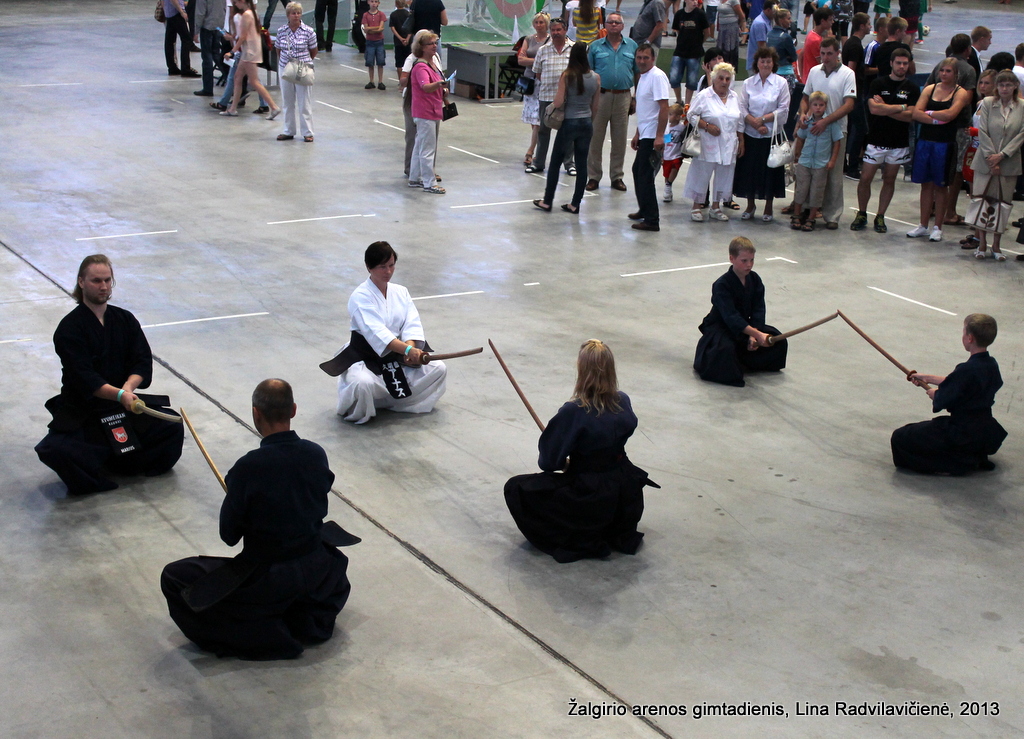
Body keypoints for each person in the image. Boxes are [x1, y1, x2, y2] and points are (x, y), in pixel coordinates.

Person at [161, 379, 353, 660]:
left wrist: (236, 495)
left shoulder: (248, 468)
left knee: (175, 576)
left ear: (255, 414)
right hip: (316, 567)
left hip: (271, 575)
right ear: (294, 410)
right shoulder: (315, 454)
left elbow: (229, 536)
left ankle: (264, 634)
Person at [35, 255, 184, 496]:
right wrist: (120, 395)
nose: (103, 286)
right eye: (96, 280)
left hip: (124, 406)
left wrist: (128, 388)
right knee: (55, 450)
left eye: (107, 280)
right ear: (81, 282)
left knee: (172, 427)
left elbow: (142, 361)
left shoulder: (124, 319)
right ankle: (105, 466)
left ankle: (122, 462)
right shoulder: (69, 329)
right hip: (87, 410)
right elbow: (85, 378)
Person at [503, 340, 656, 563]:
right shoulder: (623, 400)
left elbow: (548, 462)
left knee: (516, 488)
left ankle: (581, 533)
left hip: (592, 496)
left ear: (582, 371)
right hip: (624, 492)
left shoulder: (574, 411)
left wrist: (566, 460)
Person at [335, 242, 447, 423]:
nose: (388, 271)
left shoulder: (401, 292)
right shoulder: (360, 296)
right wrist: (408, 351)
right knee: (362, 384)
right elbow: (376, 332)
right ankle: (374, 402)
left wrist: (410, 350)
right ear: (369, 267)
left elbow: (411, 323)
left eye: (391, 265)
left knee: (439, 369)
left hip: (398, 357)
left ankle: (400, 403)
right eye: (382, 267)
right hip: (367, 357)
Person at [891, 315, 1006, 475]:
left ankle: (956, 463)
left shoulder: (966, 370)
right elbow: (959, 383)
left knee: (900, 437)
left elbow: (943, 398)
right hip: (983, 428)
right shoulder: (990, 364)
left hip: (962, 431)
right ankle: (970, 455)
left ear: (970, 338)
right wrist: (928, 378)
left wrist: (934, 393)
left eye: (964, 332)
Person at [693, 237, 787, 387]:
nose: (749, 265)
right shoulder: (721, 285)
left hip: (747, 326)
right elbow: (731, 317)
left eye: (752, 260)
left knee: (777, 341)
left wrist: (754, 334)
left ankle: (745, 362)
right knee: (724, 351)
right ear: (732, 258)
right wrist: (755, 334)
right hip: (722, 327)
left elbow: (758, 309)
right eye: (744, 261)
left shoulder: (755, 279)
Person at [851, 47, 918, 232]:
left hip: (899, 143)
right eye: (899, 63)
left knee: (889, 179)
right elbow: (874, 109)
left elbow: (911, 116)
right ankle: (862, 212)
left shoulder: (912, 88)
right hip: (875, 140)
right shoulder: (878, 84)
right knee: (865, 178)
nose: (902, 66)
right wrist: (901, 108)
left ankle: (880, 216)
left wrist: (887, 108)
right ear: (891, 63)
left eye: (905, 63)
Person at [906, 58, 972, 242]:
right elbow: (916, 113)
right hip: (925, 141)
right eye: (942, 70)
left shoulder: (961, 93)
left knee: (941, 186)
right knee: (925, 184)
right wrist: (936, 117)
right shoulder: (930, 89)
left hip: (945, 143)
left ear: (956, 74)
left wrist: (928, 115)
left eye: (948, 71)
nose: (944, 74)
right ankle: (923, 224)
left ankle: (938, 227)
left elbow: (951, 115)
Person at [533, 43, 600, 214]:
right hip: (586, 123)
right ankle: (575, 204)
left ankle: (547, 201)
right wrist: (588, 120)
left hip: (569, 122)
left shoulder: (567, 76)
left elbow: (558, 102)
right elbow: (596, 106)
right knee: (581, 164)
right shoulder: (595, 78)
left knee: (556, 162)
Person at [796, 37, 856, 228]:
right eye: (822, 53)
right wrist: (803, 114)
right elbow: (805, 97)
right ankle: (807, 209)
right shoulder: (814, 71)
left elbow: (849, 105)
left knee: (833, 174)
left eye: (829, 53)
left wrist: (825, 122)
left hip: (836, 130)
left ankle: (832, 215)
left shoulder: (848, 74)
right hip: (812, 131)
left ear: (838, 53)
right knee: (807, 172)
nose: (825, 57)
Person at [970, 71, 1024, 260]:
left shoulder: (1022, 106)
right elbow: (982, 131)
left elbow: (1021, 135)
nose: (1004, 88)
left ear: (1015, 86)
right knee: (982, 201)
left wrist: (1002, 155)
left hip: (1009, 164)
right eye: (1001, 85)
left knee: (1003, 204)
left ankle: (997, 246)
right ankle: (982, 244)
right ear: (997, 87)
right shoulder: (986, 103)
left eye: (1008, 85)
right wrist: (991, 157)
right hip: (985, 161)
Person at [735, 47, 791, 222]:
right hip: (751, 134)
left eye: (768, 61)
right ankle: (750, 205)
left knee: (769, 173)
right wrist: (753, 122)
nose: (765, 64)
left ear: (773, 63)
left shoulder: (781, 83)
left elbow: (783, 109)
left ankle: (768, 207)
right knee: (749, 172)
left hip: (771, 136)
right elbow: (742, 107)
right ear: (756, 63)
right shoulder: (748, 83)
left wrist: (764, 120)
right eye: (762, 61)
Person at [684, 62, 744, 222]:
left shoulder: (734, 96)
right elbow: (691, 115)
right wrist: (707, 126)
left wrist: (741, 140)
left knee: (724, 174)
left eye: (727, 79)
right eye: (721, 78)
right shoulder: (705, 95)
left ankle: (716, 207)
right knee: (702, 174)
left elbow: (739, 121)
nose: (724, 82)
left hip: (729, 143)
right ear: (714, 78)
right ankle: (696, 206)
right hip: (707, 142)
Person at [585, 12, 637, 191]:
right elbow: (588, 73)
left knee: (620, 139)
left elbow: (637, 73)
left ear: (623, 26)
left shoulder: (632, 46)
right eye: (611, 22)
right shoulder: (595, 47)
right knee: (595, 138)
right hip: (601, 96)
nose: (614, 25)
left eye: (617, 22)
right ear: (605, 25)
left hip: (623, 96)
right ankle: (593, 176)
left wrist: (635, 97)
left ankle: (616, 177)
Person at [629, 42, 671, 231]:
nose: (642, 61)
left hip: (655, 135)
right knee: (637, 170)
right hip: (646, 133)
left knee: (645, 175)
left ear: (653, 59)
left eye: (646, 58)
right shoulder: (642, 77)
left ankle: (652, 220)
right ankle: (644, 209)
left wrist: (660, 137)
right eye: (639, 58)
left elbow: (664, 107)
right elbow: (644, 109)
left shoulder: (657, 77)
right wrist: (638, 133)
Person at [528, 18, 575, 176]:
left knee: (568, 132)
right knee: (543, 131)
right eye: (553, 30)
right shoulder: (543, 50)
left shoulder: (574, 49)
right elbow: (538, 73)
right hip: (546, 96)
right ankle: (539, 163)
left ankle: (569, 164)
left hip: (569, 99)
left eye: (558, 30)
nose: (555, 33)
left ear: (565, 30)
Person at [790, 90, 842, 230]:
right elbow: (800, 137)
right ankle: (797, 215)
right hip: (805, 161)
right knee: (801, 189)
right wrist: (797, 156)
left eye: (821, 105)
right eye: (815, 104)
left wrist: (832, 160)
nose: (818, 107)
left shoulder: (831, 123)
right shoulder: (807, 122)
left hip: (821, 164)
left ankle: (811, 218)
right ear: (810, 106)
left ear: (825, 106)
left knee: (817, 191)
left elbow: (837, 142)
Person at [221, 0, 281, 119]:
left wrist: (232, 51)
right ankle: (233, 108)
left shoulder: (246, 15)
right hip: (249, 51)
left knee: (254, 81)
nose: (235, 4)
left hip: (249, 52)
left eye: (235, 2)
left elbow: (242, 37)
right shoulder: (252, 14)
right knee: (237, 78)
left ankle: (274, 107)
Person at [408, 32, 447, 193]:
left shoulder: (432, 63)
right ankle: (430, 183)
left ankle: (414, 177)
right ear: (422, 47)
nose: (434, 46)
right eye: (430, 43)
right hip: (425, 112)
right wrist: (439, 84)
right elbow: (425, 86)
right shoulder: (421, 67)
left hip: (430, 109)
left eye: (435, 42)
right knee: (428, 149)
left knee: (420, 146)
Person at [275, 3, 318, 142]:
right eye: (293, 13)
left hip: (303, 69)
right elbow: (278, 49)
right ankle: (288, 130)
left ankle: (307, 132)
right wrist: (287, 64)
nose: (296, 16)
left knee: (304, 101)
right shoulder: (281, 31)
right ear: (288, 15)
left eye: (298, 13)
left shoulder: (309, 31)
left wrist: (303, 63)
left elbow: (314, 50)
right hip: (285, 68)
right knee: (287, 101)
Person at [519, 12, 551, 171]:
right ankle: (538, 147)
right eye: (537, 22)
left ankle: (531, 150)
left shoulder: (550, 41)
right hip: (529, 83)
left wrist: (531, 61)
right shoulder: (528, 39)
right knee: (533, 120)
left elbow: (548, 61)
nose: (539, 25)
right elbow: (520, 59)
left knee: (538, 120)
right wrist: (538, 61)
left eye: (542, 22)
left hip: (544, 82)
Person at [841, 12, 870, 178]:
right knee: (859, 129)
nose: (870, 26)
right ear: (861, 26)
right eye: (868, 24)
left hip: (854, 92)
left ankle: (846, 165)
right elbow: (851, 70)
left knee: (852, 127)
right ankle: (852, 166)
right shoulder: (855, 46)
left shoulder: (852, 43)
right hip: (854, 93)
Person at [670, 0, 711, 105]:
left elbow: (707, 32)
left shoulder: (700, 14)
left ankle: (687, 104)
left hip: (694, 52)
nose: (695, 2)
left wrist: (700, 41)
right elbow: (678, 30)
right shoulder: (679, 14)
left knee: (692, 81)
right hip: (680, 51)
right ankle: (679, 100)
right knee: (674, 79)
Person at [192, 0, 226, 96]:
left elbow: (200, 13)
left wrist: (196, 31)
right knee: (217, 55)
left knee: (207, 58)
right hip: (218, 26)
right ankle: (229, 80)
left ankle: (208, 88)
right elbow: (224, 8)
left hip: (207, 27)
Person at [163, 0, 199, 77]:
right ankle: (185, 68)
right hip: (176, 13)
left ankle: (172, 67)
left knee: (169, 41)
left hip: (169, 13)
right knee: (187, 39)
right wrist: (181, 11)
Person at [767, 8, 798, 90]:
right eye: (788, 18)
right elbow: (794, 57)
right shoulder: (786, 37)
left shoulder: (768, 34)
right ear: (781, 20)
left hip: (771, 73)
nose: (790, 21)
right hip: (785, 74)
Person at [799, 7, 832, 82]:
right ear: (823, 21)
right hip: (815, 79)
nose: (832, 22)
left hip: (808, 77)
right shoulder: (816, 40)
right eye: (830, 20)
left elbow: (801, 55)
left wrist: (802, 76)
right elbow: (824, 63)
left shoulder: (811, 34)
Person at [662, 103, 687, 201]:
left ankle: (668, 184)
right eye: (669, 114)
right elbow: (666, 142)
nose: (670, 117)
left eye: (672, 114)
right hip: (667, 154)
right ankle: (668, 188)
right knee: (666, 173)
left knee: (675, 167)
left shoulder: (682, 127)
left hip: (677, 154)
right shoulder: (666, 128)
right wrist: (661, 154)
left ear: (678, 117)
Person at [361, 0, 387, 89]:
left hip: (379, 41)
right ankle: (371, 81)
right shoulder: (365, 15)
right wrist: (375, 28)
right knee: (370, 62)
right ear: (368, 2)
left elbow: (381, 28)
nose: (374, 3)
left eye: (376, 1)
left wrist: (370, 29)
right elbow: (365, 28)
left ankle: (380, 81)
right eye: (372, 1)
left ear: (378, 3)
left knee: (380, 62)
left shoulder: (381, 14)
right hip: (369, 42)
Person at [715, 0, 747, 68]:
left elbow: (741, 16)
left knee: (730, 50)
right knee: (721, 49)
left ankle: (731, 68)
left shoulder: (734, 1)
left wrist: (742, 28)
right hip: (722, 28)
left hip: (731, 28)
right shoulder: (720, 1)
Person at [746, 0, 775, 72]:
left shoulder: (768, 21)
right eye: (774, 11)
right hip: (757, 65)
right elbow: (762, 46)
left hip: (761, 63)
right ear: (768, 10)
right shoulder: (760, 23)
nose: (776, 14)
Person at [390, 0, 412, 71]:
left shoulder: (393, 14)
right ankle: (408, 81)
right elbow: (411, 28)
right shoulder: (408, 14)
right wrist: (407, 39)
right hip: (408, 42)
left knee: (399, 63)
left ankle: (400, 80)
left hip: (398, 42)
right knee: (409, 62)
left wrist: (400, 38)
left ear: (396, 4)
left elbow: (393, 28)